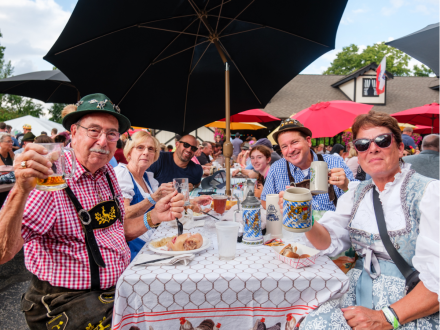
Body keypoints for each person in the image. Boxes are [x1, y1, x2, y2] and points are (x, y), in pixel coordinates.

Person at [0, 93, 185, 330]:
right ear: (74, 133)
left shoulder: (106, 174)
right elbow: (4, 252)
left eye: (111, 134)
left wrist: (156, 216)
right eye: (94, 130)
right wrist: (20, 190)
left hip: (112, 290)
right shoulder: (50, 177)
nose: (102, 141)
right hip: (63, 302)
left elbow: (117, 230)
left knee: (175, 308)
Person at [296, 110, 439, 329]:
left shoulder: (429, 193)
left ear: (401, 148)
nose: (372, 148)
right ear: (359, 154)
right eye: (362, 144)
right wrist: (302, 213)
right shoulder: (356, 192)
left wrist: (386, 317)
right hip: (356, 298)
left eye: (382, 140)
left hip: (408, 308)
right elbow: (328, 242)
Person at [261, 118, 355, 217]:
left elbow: (357, 199)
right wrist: (281, 205)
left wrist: (346, 186)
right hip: (294, 228)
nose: (290, 150)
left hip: (331, 228)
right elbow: (265, 201)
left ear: (308, 141)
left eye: (294, 142)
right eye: (284, 146)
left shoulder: (335, 162)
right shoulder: (276, 168)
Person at [114, 131, 175, 259]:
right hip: (133, 248)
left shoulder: (147, 177)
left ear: (155, 155)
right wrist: (153, 198)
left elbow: (160, 207)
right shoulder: (122, 174)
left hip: (151, 240)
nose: (146, 152)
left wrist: (192, 201)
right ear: (129, 152)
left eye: (151, 149)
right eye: (140, 147)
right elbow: (123, 214)